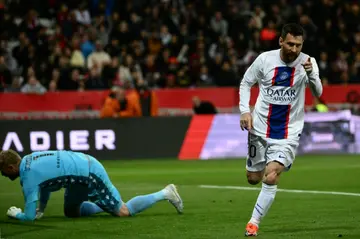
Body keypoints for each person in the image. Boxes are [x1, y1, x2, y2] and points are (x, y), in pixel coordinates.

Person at [239, 23, 323, 237]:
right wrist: (244, 111)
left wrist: (312, 74)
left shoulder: (308, 62)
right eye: (290, 44)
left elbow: (318, 92)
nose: (294, 49)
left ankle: (253, 223)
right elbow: (246, 83)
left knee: (272, 175)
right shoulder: (264, 60)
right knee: (253, 178)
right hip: (259, 128)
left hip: (287, 132)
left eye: (298, 45)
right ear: (281, 41)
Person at [0, 150, 183, 221]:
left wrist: (17, 213)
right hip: (79, 172)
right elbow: (45, 186)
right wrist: (42, 208)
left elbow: (28, 217)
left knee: (123, 211)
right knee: (72, 212)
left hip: (89, 173)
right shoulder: (30, 159)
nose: (2, 175)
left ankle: (166, 192)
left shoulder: (27, 176)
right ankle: (104, 205)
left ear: (10, 167)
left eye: (3, 171)